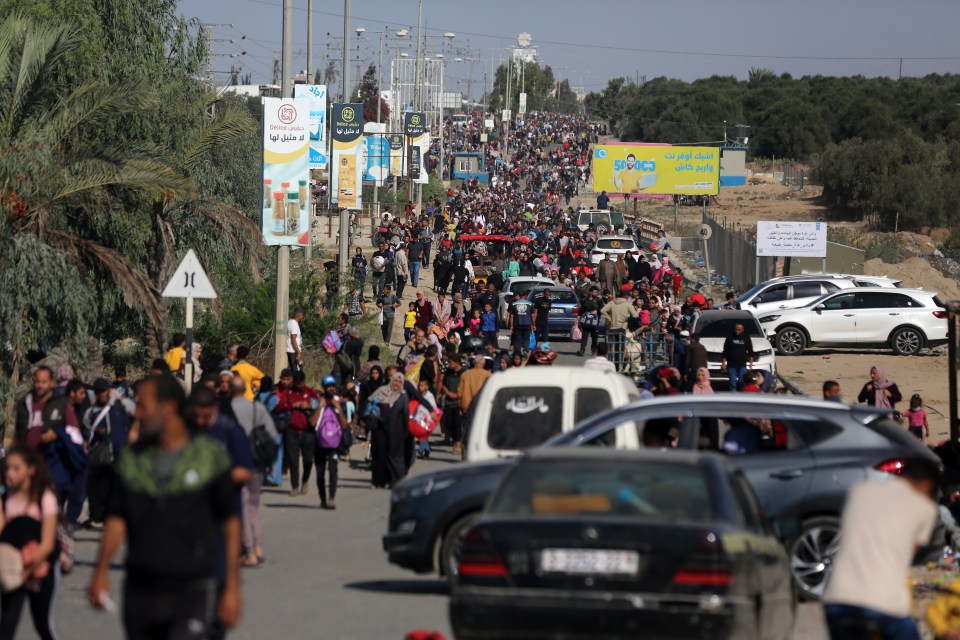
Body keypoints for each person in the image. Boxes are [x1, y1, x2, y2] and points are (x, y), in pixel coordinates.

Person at [87, 375, 242, 638]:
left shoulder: (209, 457)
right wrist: (100, 571)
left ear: (168, 408)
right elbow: (116, 519)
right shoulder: (132, 461)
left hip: (192, 587)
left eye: (143, 406)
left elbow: (230, 523)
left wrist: (232, 587)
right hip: (141, 590)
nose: (136, 413)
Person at [823, 459, 940, 640]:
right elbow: (909, 554)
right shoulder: (926, 507)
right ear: (927, 486)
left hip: (837, 601)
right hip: (884, 606)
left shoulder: (861, 491)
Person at [0, 445, 62, 640]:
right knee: (6, 625)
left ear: (31, 470)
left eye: (16, 468)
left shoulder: (45, 496)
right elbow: (3, 534)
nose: (10, 473)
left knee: (43, 624)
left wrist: (29, 572)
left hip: (42, 569)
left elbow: (48, 543)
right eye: (7, 468)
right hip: (13, 569)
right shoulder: (6, 497)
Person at [229, 376, 278, 567]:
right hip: (257, 465)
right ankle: (258, 548)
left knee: (242, 508)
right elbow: (272, 435)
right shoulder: (257, 408)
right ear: (247, 389)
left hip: (237, 465)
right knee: (254, 508)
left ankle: (249, 551)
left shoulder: (227, 410)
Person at [82, 378, 129, 529]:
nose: (101, 394)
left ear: (108, 391)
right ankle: (97, 517)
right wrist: (94, 434)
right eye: (98, 392)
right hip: (98, 458)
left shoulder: (121, 406)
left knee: (114, 489)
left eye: (103, 391)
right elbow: (86, 434)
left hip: (119, 455)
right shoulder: (90, 413)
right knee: (96, 488)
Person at [275, 371, 319, 496]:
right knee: (293, 460)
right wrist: (292, 405)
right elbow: (279, 406)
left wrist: (308, 405)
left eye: (302, 383)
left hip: (308, 431)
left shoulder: (309, 392)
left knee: (308, 460)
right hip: (291, 430)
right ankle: (294, 486)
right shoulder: (288, 392)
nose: (300, 385)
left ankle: (305, 480)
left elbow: (318, 404)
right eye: (298, 383)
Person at [367, 372, 411, 488]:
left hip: (396, 431)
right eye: (395, 381)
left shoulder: (403, 396)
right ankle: (377, 482)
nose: (396, 383)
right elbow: (370, 403)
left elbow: (406, 414)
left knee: (395, 456)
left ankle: (396, 481)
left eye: (399, 382)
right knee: (379, 456)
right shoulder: (382, 391)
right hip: (380, 429)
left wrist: (405, 431)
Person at [312, 377, 349, 509]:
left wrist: (338, 408)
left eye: (332, 386)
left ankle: (331, 498)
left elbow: (345, 424)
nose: (330, 388)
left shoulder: (340, 403)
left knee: (333, 471)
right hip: (319, 443)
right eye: (328, 386)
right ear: (323, 387)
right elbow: (312, 423)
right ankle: (323, 499)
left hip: (334, 443)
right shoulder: (317, 402)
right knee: (320, 473)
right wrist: (319, 408)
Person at [439, 355, 464, 455]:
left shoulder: (464, 372)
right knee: (448, 424)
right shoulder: (448, 372)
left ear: (456, 362)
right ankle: (455, 440)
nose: (449, 365)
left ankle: (458, 443)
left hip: (459, 402)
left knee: (457, 424)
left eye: (450, 363)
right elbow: (443, 384)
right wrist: (448, 393)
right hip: (449, 401)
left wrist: (459, 395)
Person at [720, 323, 754, 392]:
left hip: (742, 365)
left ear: (743, 330)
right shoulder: (730, 337)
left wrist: (751, 363)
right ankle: (733, 399)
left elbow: (750, 351)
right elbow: (725, 351)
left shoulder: (746, 337)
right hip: (731, 365)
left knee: (742, 383)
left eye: (739, 330)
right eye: (736, 329)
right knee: (733, 383)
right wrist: (723, 363)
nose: (737, 331)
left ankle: (741, 399)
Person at [575, 286, 601, 357]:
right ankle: (582, 350)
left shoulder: (598, 300)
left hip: (595, 322)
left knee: (594, 337)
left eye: (596, 292)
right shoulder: (584, 300)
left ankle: (594, 351)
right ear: (590, 292)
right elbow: (581, 310)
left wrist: (597, 311)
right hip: (586, 322)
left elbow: (603, 310)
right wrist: (577, 319)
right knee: (584, 337)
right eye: (595, 292)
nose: (596, 293)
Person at [507, 292, 535, 357]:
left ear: (520, 296)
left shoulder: (514, 304)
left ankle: (517, 352)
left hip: (517, 325)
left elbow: (512, 316)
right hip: (527, 324)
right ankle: (525, 350)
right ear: (525, 296)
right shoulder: (530, 304)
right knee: (526, 339)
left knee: (517, 339)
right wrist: (533, 324)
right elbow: (532, 315)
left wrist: (511, 326)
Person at [287, 308, 305, 372]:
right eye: (302, 315)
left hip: (293, 351)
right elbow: (293, 340)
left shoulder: (291, 322)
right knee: (298, 372)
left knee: (295, 371)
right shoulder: (294, 324)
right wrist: (298, 352)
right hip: (293, 352)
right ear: (299, 315)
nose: (302, 317)